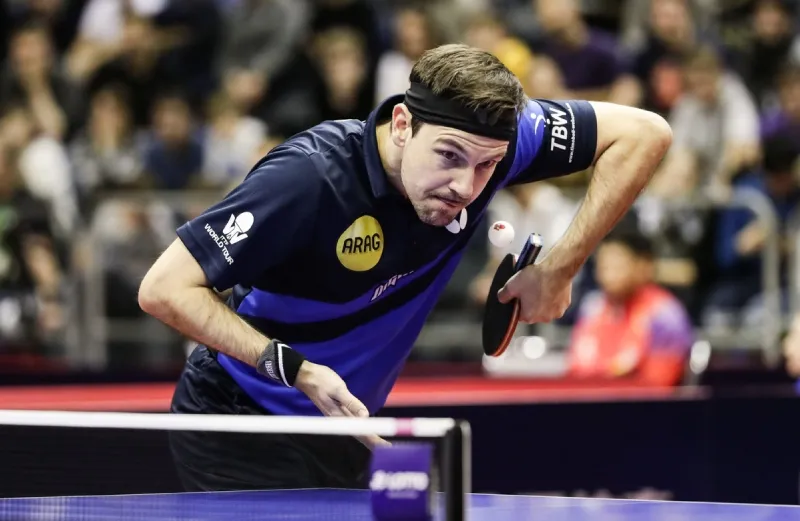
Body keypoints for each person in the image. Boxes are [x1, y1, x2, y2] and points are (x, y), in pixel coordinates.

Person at [138, 43, 672, 491]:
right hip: (240, 417)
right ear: (401, 125)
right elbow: (163, 288)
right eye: (448, 157)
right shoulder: (308, 180)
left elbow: (646, 134)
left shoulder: (496, 141)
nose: (466, 186)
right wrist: (295, 368)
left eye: (487, 165)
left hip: (347, 427)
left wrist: (561, 266)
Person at [567, 226, 694, 386]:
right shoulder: (592, 306)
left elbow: (659, 385)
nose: (608, 275)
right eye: (603, 266)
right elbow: (575, 369)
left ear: (644, 265)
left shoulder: (666, 315)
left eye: (617, 265)